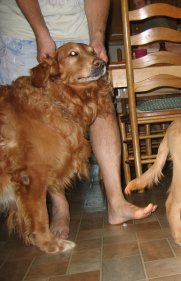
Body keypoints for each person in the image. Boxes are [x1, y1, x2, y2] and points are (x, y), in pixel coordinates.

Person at [0, 0, 157, 240]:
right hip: (24, 29)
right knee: (35, 142)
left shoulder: (87, 55)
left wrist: (96, 38)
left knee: (102, 107)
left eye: (94, 58)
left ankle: (116, 202)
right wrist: (41, 32)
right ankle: (59, 208)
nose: (96, 61)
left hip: (79, 27)